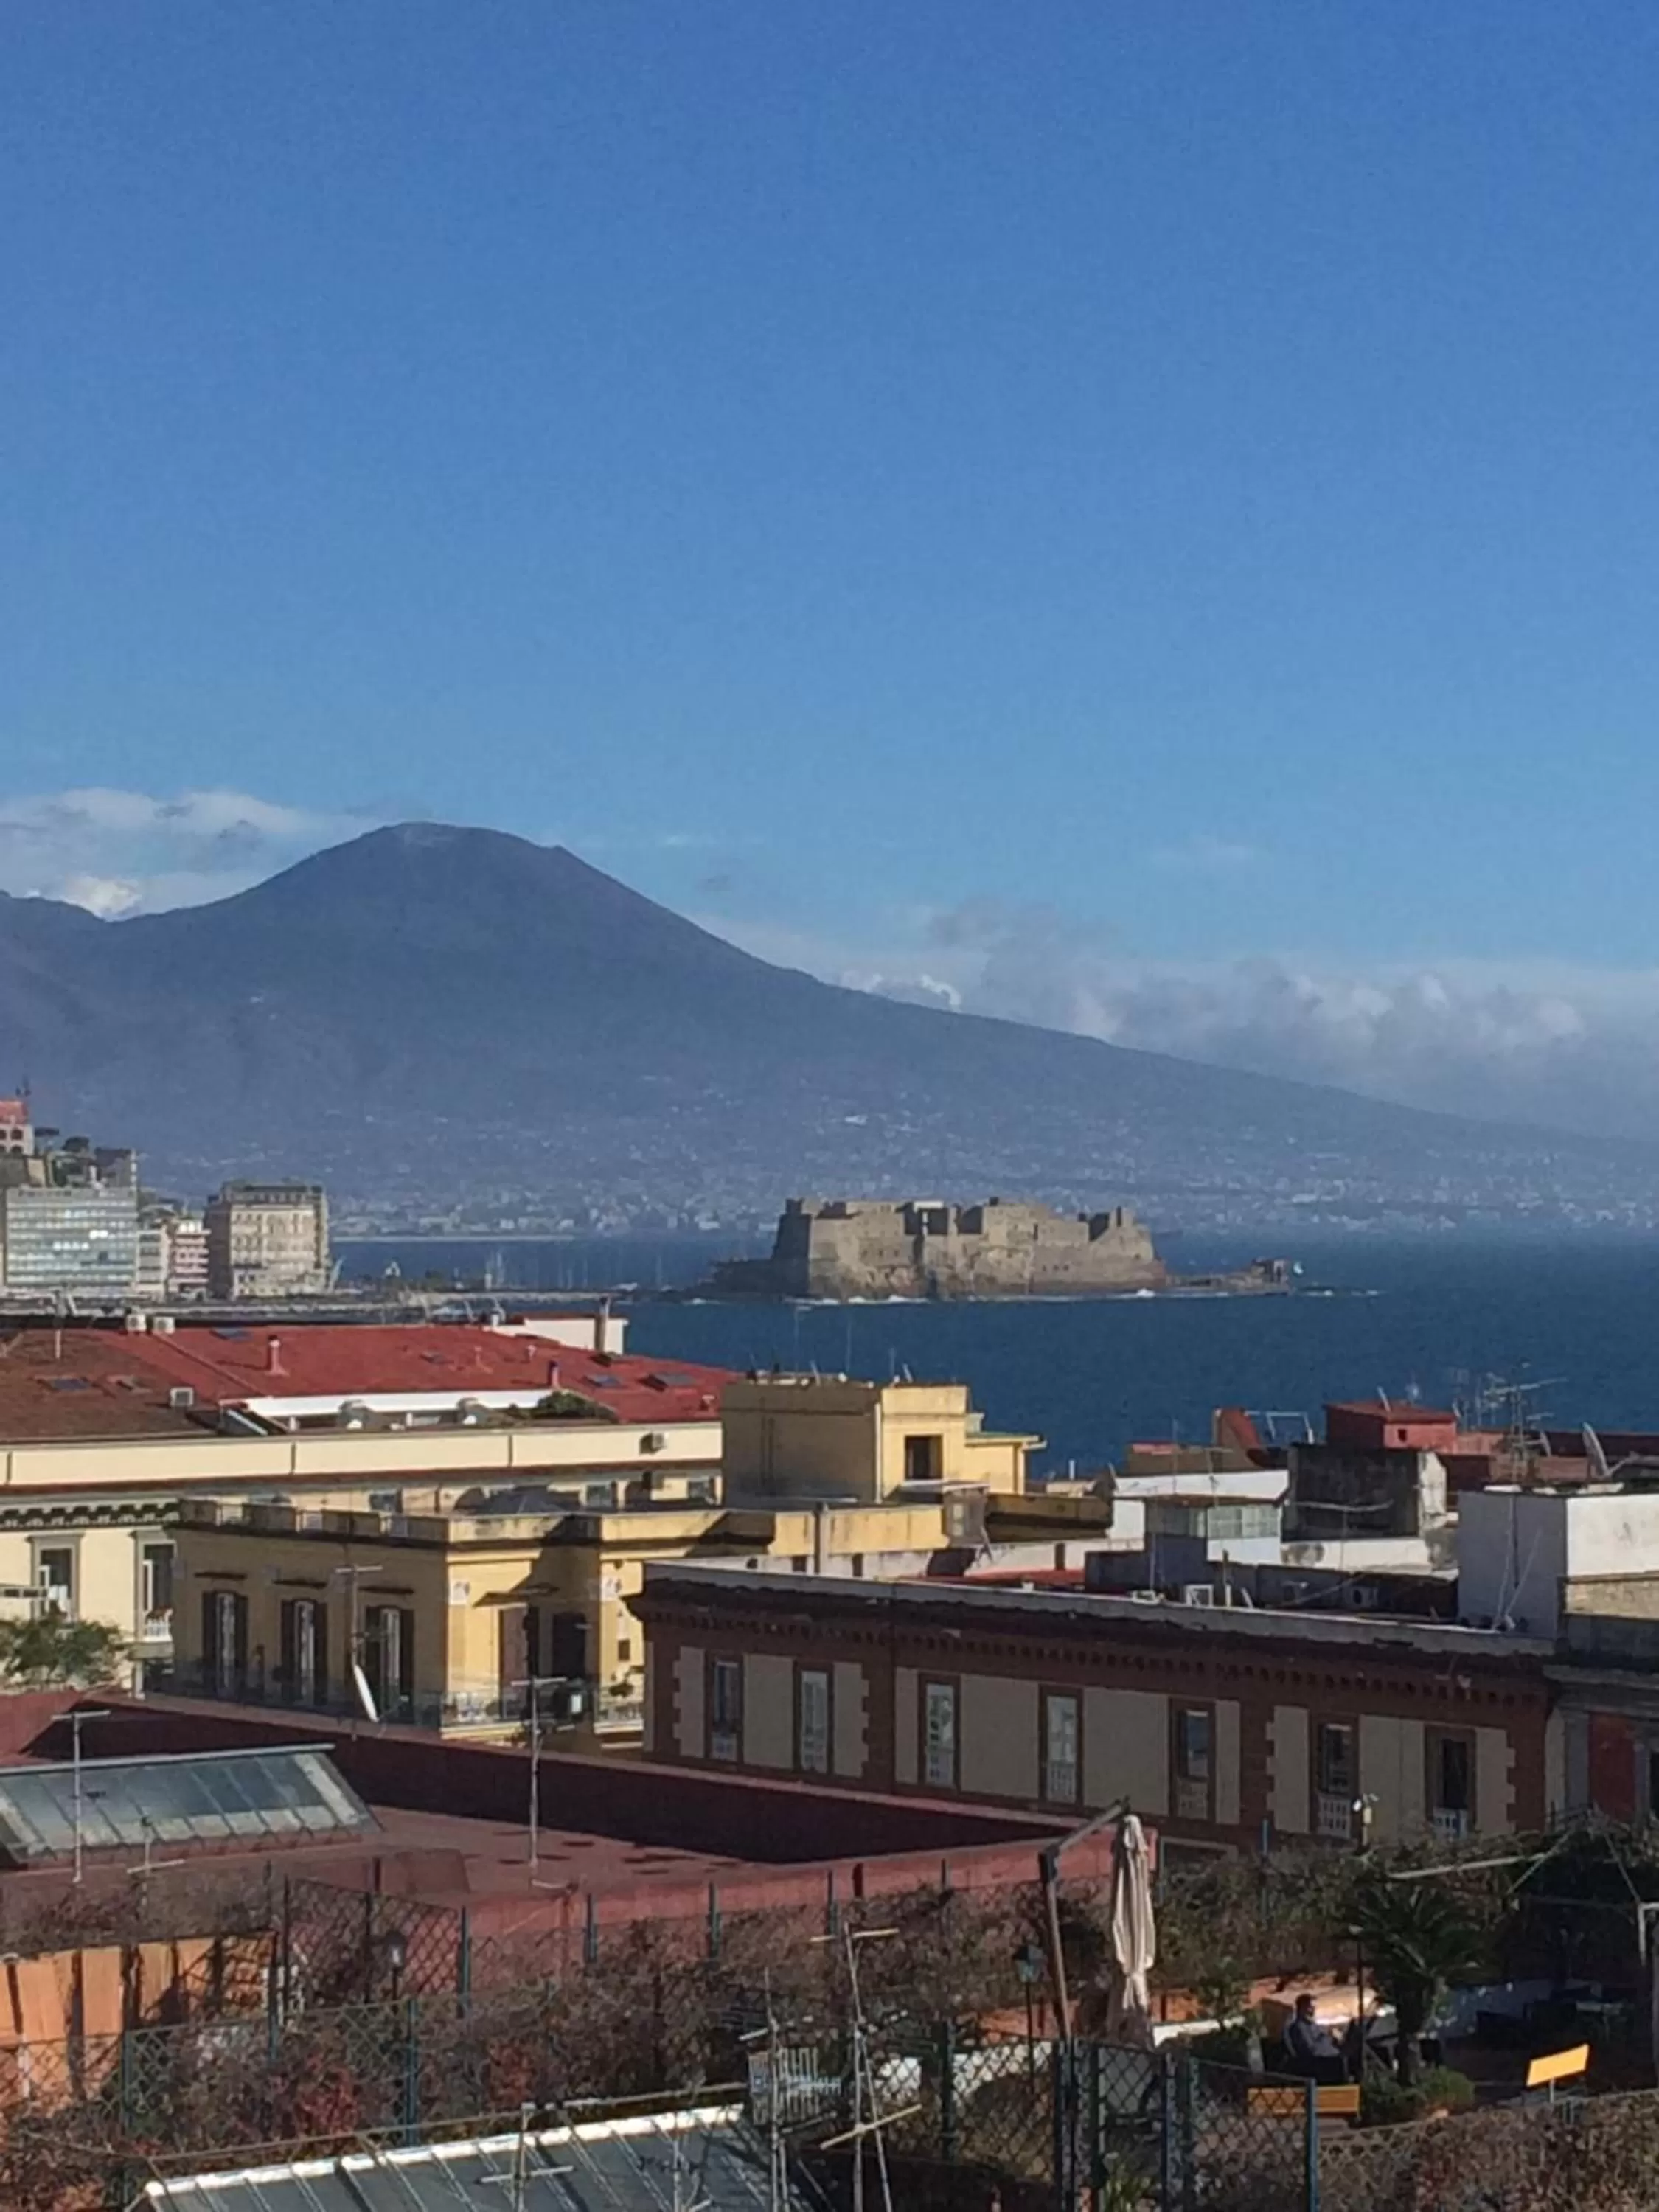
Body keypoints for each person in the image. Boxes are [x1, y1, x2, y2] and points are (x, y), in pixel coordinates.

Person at [1283, 1994, 1343, 2082]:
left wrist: (1335, 2039)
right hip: (1316, 2066)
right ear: (1302, 2008)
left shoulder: (1313, 2026)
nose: (1314, 2010)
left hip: (1329, 2060)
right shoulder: (1299, 2028)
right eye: (1310, 2007)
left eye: (1314, 2007)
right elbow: (1312, 2051)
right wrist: (1328, 2036)